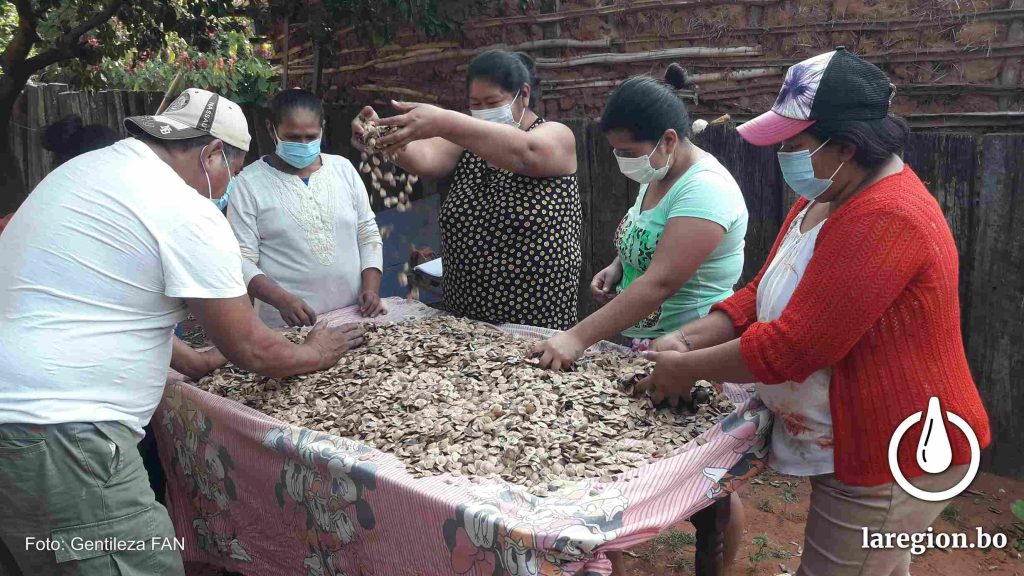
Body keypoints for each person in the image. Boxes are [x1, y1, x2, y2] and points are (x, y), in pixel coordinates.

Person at [639, 48, 991, 576]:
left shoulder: (886, 217)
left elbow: (796, 347)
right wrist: (690, 339)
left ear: (846, 146)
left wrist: (684, 367)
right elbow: (762, 293)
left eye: (795, 144)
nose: (783, 155)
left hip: (896, 447)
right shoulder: (826, 196)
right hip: (868, 438)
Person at [0, 88, 365, 576]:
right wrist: (317, 352)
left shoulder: (85, 174)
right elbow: (255, 350)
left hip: (20, 439)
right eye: (230, 175)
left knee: (49, 558)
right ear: (213, 153)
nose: (226, 187)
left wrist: (201, 358)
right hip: (63, 438)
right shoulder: (180, 205)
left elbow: (95, 301)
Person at [531, 64, 748, 369]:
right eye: (617, 151)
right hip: (649, 344)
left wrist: (576, 337)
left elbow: (661, 282)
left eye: (629, 152)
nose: (623, 161)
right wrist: (619, 265)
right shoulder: (658, 172)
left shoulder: (705, 190)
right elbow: (654, 236)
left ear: (669, 140)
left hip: (690, 352)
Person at [351, 49, 582, 330]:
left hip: (536, 323)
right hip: (464, 321)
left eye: (492, 102)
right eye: (475, 103)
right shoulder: (467, 144)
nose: (483, 110)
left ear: (524, 94)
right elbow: (421, 158)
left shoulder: (556, 136)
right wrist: (378, 135)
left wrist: (444, 121)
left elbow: (526, 153)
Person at [228, 88, 385, 328]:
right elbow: (241, 261)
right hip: (288, 327)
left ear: (322, 128)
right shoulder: (248, 184)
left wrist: (371, 290)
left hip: (354, 317)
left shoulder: (343, 169)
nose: (303, 145)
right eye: (292, 138)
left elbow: (367, 233)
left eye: (311, 137)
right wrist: (281, 300)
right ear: (271, 129)